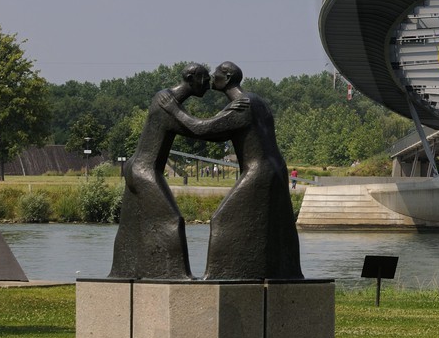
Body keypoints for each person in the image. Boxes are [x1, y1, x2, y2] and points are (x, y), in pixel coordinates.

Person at [164, 60, 303, 280]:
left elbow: (202, 130)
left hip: (259, 173)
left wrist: (173, 110)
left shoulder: (243, 105)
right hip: (276, 169)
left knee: (223, 220)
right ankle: (276, 270)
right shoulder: (256, 102)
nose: (211, 79)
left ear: (227, 78)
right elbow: (221, 132)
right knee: (277, 225)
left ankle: (219, 277)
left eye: (216, 74)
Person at [109, 63, 246, 280]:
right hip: (144, 171)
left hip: (140, 168)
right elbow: (196, 129)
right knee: (171, 220)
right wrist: (228, 118)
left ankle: (124, 270)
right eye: (204, 78)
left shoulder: (168, 100)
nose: (208, 82)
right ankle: (177, 275)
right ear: (192, 80)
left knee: (131, 225)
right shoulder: (166, 102)